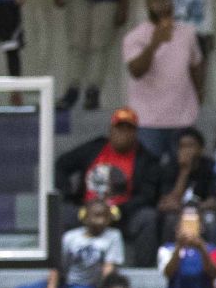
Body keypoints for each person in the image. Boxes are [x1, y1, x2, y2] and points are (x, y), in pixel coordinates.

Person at [54, 108, 165, 266]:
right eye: (119, 128)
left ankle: (143, 270)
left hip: (123, 215)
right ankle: (60, 272)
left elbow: (147, 195)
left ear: (135, 134)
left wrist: (119, 209)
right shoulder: (95, 148)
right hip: (87, 211)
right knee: (63, 214)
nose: (123, 133)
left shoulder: (147, 160)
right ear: (111, 130)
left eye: (129, 129)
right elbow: (61, 164)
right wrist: (68, 194)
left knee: (148, 218)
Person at [123, 0, 204, 158]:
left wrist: (199, 93)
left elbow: (196, 65)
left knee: (183, 171)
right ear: (148, 5)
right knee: (150, 175)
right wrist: (154, 44)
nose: (162, 4)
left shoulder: (187, 33)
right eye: (156, 1)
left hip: (183, 118)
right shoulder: (135, 36)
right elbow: (136, 71)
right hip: (148, 120)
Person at [158, 206, 216, 288]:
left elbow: (214, 273)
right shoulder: (167, 249)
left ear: (201, 227)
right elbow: (168, 273)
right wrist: (179, 247)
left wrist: (201, 248)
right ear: (177, 227)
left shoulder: (212, 250)